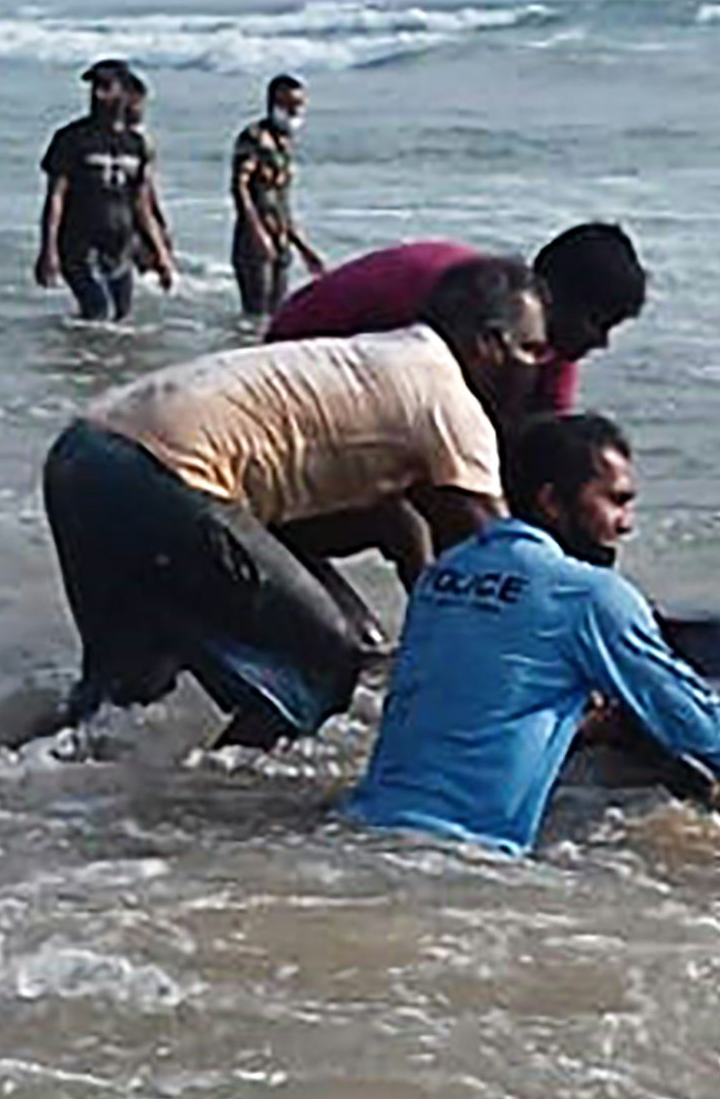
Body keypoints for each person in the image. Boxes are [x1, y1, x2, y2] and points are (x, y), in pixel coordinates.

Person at [39, 256, 545, 746]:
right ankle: (218, 810)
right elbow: (504, 557)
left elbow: (410, 530)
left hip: (83, 452)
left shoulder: (384, 361)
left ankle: (21, 787)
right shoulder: (449, 400)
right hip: (158, 469)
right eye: (534, 351)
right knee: (325, 660)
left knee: (125, 688)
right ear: (489, 344)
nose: (541, 371)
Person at [348, 413, 720, 854]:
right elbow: (689, 715)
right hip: (461, 852)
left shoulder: (446, 574)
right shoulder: (587, 594)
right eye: (615, 500)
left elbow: (467, 698)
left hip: (364, 826)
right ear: (551, 502)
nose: (627, 522)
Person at [268, 220, 646, 414]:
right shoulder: (461, 305)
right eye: (598, 323)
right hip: (292, 366)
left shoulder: (548, 346)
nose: (601, 342)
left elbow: (547, 445)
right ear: (554, 296)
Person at [34, 58, 173, 319]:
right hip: (78, 243)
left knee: (121, 317)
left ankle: (84, 356)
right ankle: (78, 357)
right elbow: (55, 198)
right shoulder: (71, 138)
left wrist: (160, 253)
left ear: (126, 93)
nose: (98, 94)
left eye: (107, 87)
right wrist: (48, 250)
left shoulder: (137, 145)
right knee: (99, 311)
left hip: (120, 246)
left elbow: (142, 205)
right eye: (95, 87)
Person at [227, 73, 322, 318]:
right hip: (254, 241)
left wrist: (302, 246)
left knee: (278, 314)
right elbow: (240, 188)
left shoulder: (284, 143)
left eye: (299, 106)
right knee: (255, 315)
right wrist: (256, 233)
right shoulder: (255, 137)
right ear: (273, 104)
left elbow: (281, 203)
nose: (295, 112)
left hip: (280, 238)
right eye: (289, 106)